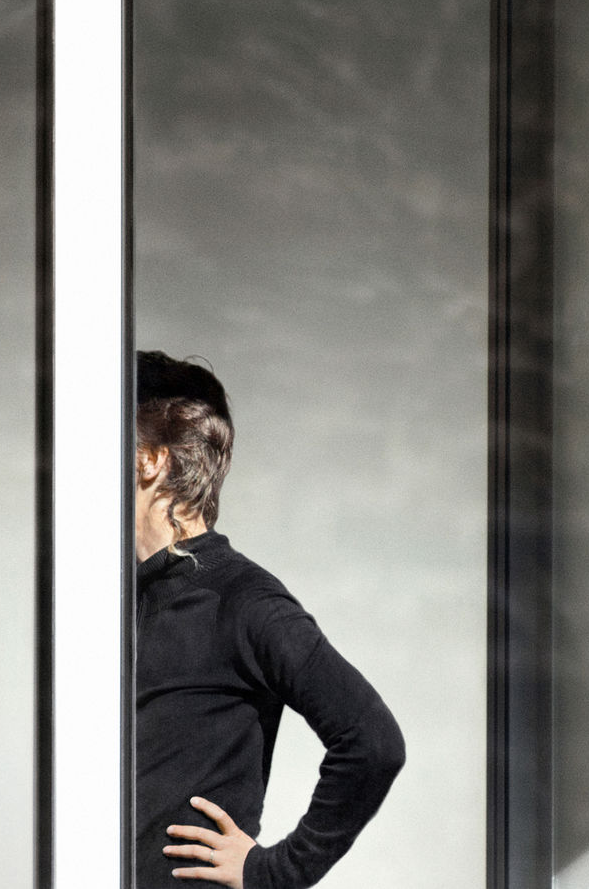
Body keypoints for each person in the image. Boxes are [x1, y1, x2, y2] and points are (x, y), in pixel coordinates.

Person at [135, 350, 406, 889]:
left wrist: (273, 873)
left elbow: (373, 743)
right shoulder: (111, 606)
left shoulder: (243, 602)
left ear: (150, 460)